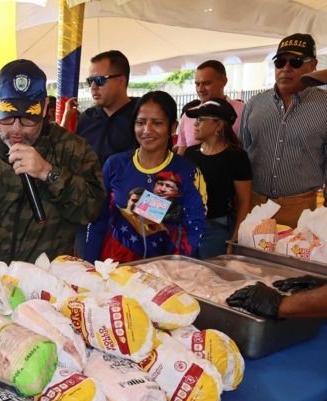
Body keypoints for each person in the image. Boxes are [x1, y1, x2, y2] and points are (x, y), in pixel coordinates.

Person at [0, 59, 105, 280]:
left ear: (44, 108)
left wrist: (48, 173)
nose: (16, 130)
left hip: (47, 286)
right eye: (7, 118)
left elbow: (91, 210)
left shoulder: (72, 149)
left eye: (27, 120)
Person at [85, 91, 207, 263]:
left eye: (157, 123)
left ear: (172, 127)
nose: (147, 130)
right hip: (116, 271)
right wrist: (90, 266)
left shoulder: (187, 172)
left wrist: (176, 268)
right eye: (140, 122)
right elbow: (98, 221)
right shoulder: (115, 165)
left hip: (166, 274)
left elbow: (195, 229)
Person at [241, 33, 327, 228]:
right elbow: (242, 153)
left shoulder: (324, 105)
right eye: (280, 62)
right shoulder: (254, 104)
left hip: (303, 210)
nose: (286, 69)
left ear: (313, 64)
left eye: (295, 62)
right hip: (255, 206)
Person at [183, 98, 252, 258]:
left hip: (217, 229)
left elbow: (244, 201)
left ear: (219, 125)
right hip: (188, 227)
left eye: (200, 120)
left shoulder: (236, 157)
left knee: (211, 277)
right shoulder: (189, 153)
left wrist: (235, 239)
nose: (195, 124)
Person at [74, 50, 139, 165]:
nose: (93, 87)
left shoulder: (141, 117)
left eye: (100, 80)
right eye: (90, 81)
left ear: (121, 81)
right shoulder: (85, 119)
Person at [175, 60, 245, 155]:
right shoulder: (188, 116)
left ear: (224, 81)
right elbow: (182, 151)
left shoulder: (243, 111)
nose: (200, 89)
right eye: (197, 84)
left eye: (206, 83)